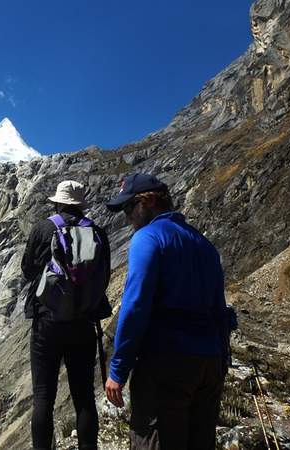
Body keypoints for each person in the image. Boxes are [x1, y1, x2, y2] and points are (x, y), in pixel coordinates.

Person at [103, 173, 230, 450]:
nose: (127, 217)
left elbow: (135, 306)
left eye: (128, 208)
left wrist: (118, 369)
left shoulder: (147, 238)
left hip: (165, 363)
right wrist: (222, 359)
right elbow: (220, 309)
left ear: (146, 202)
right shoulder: (205, 245)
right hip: (209, 361)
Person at [21, 180, 111, 450]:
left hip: (47, 320)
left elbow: (27, 269)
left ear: (58, 202)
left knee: (43, 397)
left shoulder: (43, 228)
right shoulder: (96, 232)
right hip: (83, 322)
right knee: (83, 396)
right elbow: (103, 276)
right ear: (81, 205)